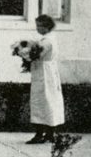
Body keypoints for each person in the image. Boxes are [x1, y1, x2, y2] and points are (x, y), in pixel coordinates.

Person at [26, 15, 65, 144]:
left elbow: (37, 55)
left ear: (47, 27)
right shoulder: (48, 39)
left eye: (40, 26)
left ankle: (40, 133)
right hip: (47, 71)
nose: (37, 28)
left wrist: (24, 54)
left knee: (42, 100)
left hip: (44, 72)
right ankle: (49, 133)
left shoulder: (47, 41)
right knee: (48, 100)